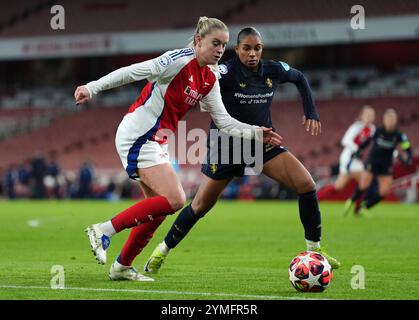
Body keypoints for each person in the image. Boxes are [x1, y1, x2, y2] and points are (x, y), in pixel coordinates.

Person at [74, 18, 282, 282]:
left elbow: (224, 121)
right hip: (138, 134)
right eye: (214, 43)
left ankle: (122, 266)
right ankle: (103, 230)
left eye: (224, 45)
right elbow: (132, 71)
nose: (220, 50)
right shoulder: (177, 60)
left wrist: (255, 131)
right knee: (175, 199)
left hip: (156, 140)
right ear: (198, 41)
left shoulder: (209, 78)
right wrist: (92, 88)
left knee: (158, 208)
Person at [139, 26, 341, 275]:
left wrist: (310, 111)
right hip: (227, 146)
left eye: (257, 48)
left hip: (261, 142)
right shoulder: (225, 71)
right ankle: (162, 250)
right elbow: (198, 76)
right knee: (200, 206)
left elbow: (299, 77)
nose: (253, 54)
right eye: (247, 48)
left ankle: (315, 252)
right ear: (237, 50)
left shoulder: (272, 70)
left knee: (307, 185)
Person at [343, 108, 413, 216]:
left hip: (386, 165)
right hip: (373, 161)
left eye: (392, 119)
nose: (390, 121)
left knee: (384, 191)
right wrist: (358, 150)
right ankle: (351, 201)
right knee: (363, 186)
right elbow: (367, 141)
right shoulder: (378, 131)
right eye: (388, 119)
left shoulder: (398, 135)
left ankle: (364, 207)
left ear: (395, 120)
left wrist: (409, 157)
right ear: (384, 120)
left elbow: (407, 148)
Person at [317, 105, 376, 200]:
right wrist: (356, 148)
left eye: (371, 115)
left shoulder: (372, 129)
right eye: (367, 115)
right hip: (349, 157)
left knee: (339, 186)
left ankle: (315, 198)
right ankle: (356, 206)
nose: (370, 117)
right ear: (362, 116)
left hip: (356, 159)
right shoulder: (356, 127)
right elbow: (345, 140)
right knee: (364, 182)